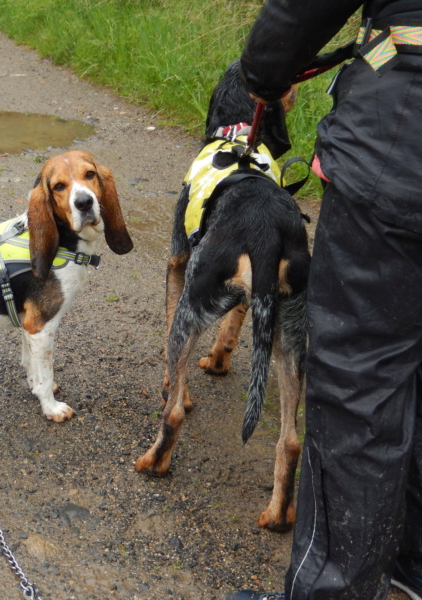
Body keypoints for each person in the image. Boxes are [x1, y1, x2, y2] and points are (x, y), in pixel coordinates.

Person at [223, 0, 422, 599]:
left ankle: (332, 590)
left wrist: (262, 71)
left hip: (399, 152)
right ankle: (411, 564)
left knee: (360, 382)